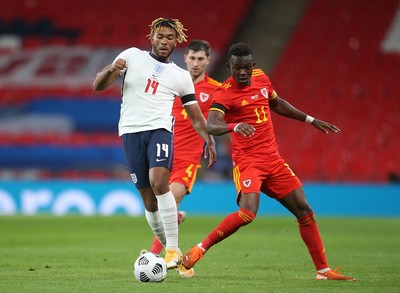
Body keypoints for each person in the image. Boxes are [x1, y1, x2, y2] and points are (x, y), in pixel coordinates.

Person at [182, 43, 355, 281]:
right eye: (236, 68)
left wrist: (310, 119)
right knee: (248, 213)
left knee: (305, 211)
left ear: (252, 66)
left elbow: (276, 103)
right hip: (248, 162)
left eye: (246, 67)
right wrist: (233, 126)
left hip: (273, 160)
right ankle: (200, 248)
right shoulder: (224, 93)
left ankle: (323, 271)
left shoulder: (262, 78)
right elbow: (211, 124)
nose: (242, 72)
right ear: (228, 67)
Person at [92, 18, 217, 271]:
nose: (164, 41)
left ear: (176, 41)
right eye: (160, 36)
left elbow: (195, 115)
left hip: (160, 131)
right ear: (152, 36)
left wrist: (210, 140)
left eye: (170, 38)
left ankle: (170, 249)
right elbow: (98, 85)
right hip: (130, 132)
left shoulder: (181, 76)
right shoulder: (131, 56)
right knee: (149, 202)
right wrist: (112, 70)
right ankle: (177, 256)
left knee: (160, 182)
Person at [144, 39, 222, 278]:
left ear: (208, 61)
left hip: (188, 159)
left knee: (170, 198)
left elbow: (223, 117)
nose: (196, 63)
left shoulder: (217, 90)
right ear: (185, 58)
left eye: (201, 59)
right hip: (162, 153)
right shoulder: (172, 82)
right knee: (157, 206)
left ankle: (155, 256)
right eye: (192, 58)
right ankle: (174, 222)